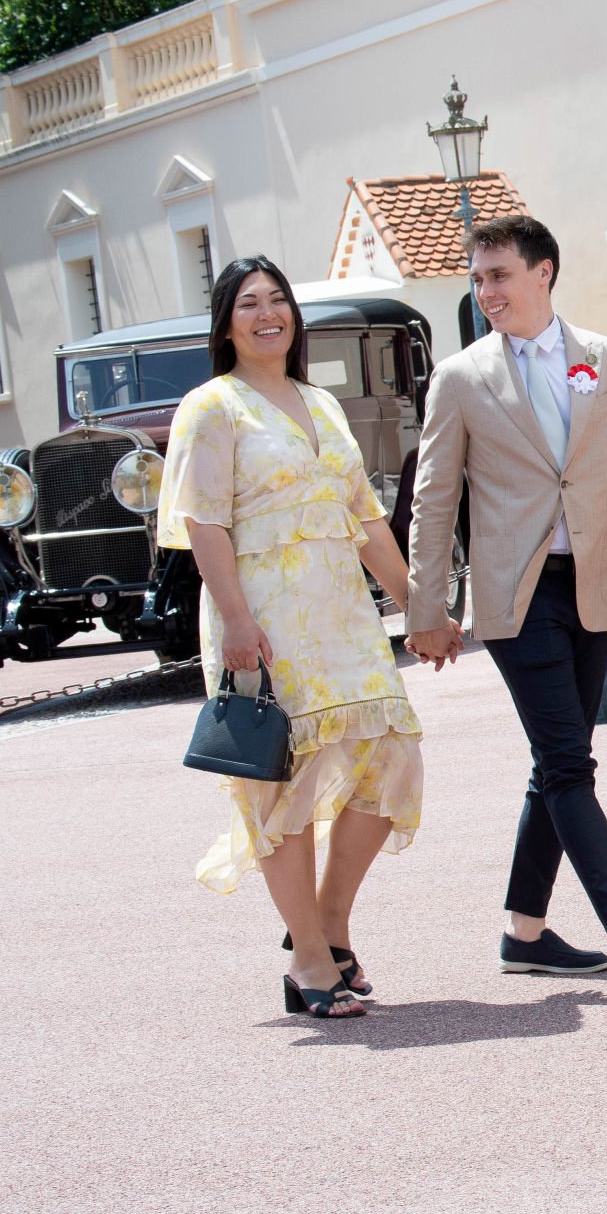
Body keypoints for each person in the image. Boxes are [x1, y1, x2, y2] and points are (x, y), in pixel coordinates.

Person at [404, 214, 607, 987]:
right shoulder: (461, 377)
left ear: (543, 272)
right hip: (513, 595)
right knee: (569, 760)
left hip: (594, 587)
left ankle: (524, 931)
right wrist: (427, 610)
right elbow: (433, 502)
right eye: (477, 278)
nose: (485, 291)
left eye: (498, 275)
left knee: (554, 763)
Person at [159, 256, 427, 1019]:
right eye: (249, 303)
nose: (268, 313)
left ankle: (330, 924)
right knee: (282, 781)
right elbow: (201, 520)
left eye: (279, 300)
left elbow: (365, 518)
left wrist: (418, 601)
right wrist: (238, 619)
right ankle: (310, 960)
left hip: (343, 613)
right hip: (264, 616)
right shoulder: (212, 407)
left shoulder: (321, 402)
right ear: (226, 321)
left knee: (395, 758)